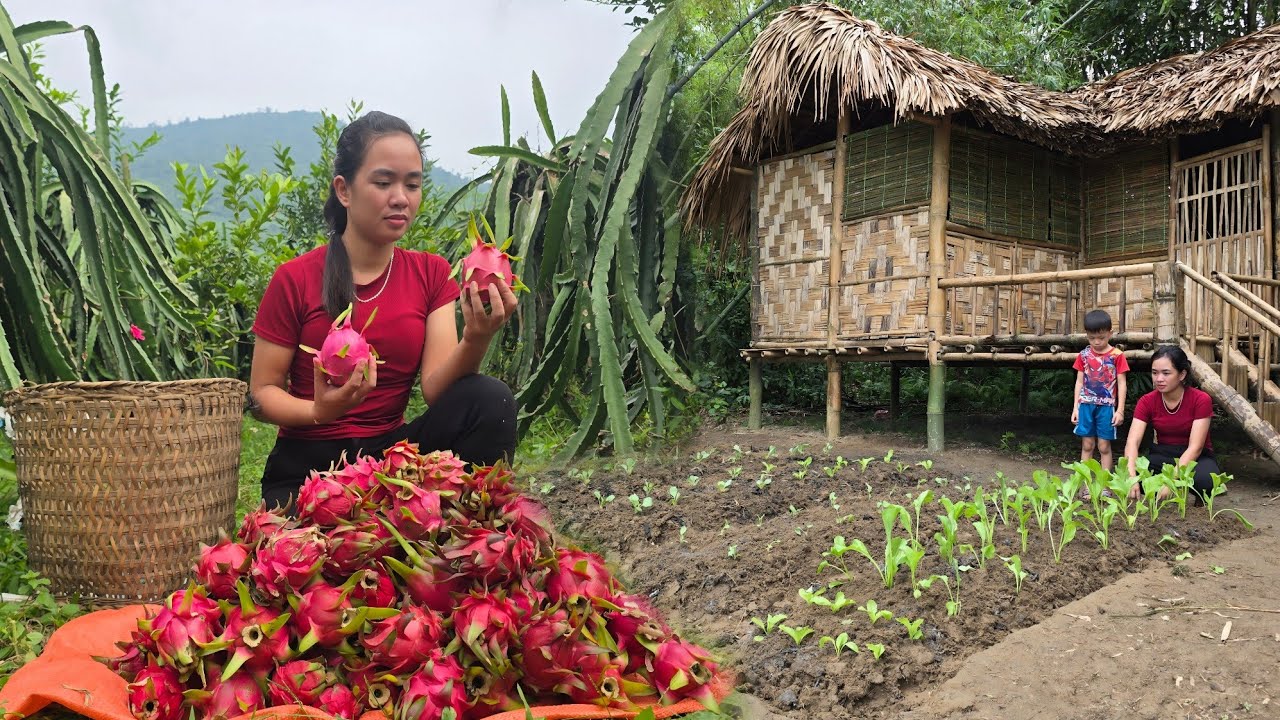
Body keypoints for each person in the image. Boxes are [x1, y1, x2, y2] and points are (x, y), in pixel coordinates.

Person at [248, 111, 518, 511]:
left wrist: (476, 338)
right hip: (308, 462)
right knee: (315, 553)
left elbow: (435, 389)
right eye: (383, 182)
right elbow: (261, 394)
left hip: (393, 460)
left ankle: (470, 523)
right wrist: (320, 411)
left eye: (412, 184)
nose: (401, 198)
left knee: (489, 399)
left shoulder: (431, 273)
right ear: (344, 190)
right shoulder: (295, 278)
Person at [1123, 345, 1220, 501]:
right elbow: (1132, 442)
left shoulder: (1200, 399)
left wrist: (1171, 480)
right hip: (1163, 454)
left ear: (1182, 375)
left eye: (1166, 373)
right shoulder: (1146, 401)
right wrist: (1131, 477)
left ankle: (1201, 504)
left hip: (1196, 457)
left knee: (1205, 480)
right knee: (1128, 471)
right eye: (1155, 373)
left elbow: (1196, 447)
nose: (1159, 379)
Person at [1071, 310, 1129, 477]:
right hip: (1085, 406)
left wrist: (1120, 410)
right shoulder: (1083, 355)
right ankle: (1086, 484)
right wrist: (1076, 407)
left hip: (1107, 407)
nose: (1096, 342)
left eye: (1101, 338)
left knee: (1104, 446)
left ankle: (1105, 484)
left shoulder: (1117, 356)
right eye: (1091, 338)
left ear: (1110, 333)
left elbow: (1122, 383)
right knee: (1087, 445)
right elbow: (1079, 382)